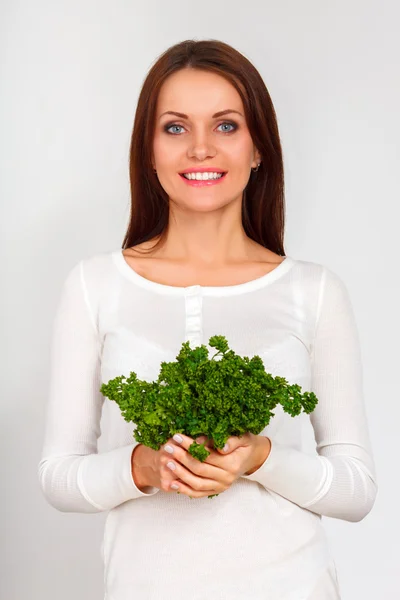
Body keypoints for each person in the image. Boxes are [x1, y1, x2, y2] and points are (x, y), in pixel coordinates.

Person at [38, 39, 378, 600]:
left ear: (258, 148)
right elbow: (58, 475)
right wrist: (144, 468)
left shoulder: (313, 291)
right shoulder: (94, 285)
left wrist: (259, 456)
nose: (200, 149)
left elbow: (356, 489)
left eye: (226, 126)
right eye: (175, 127)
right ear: (148, 150)